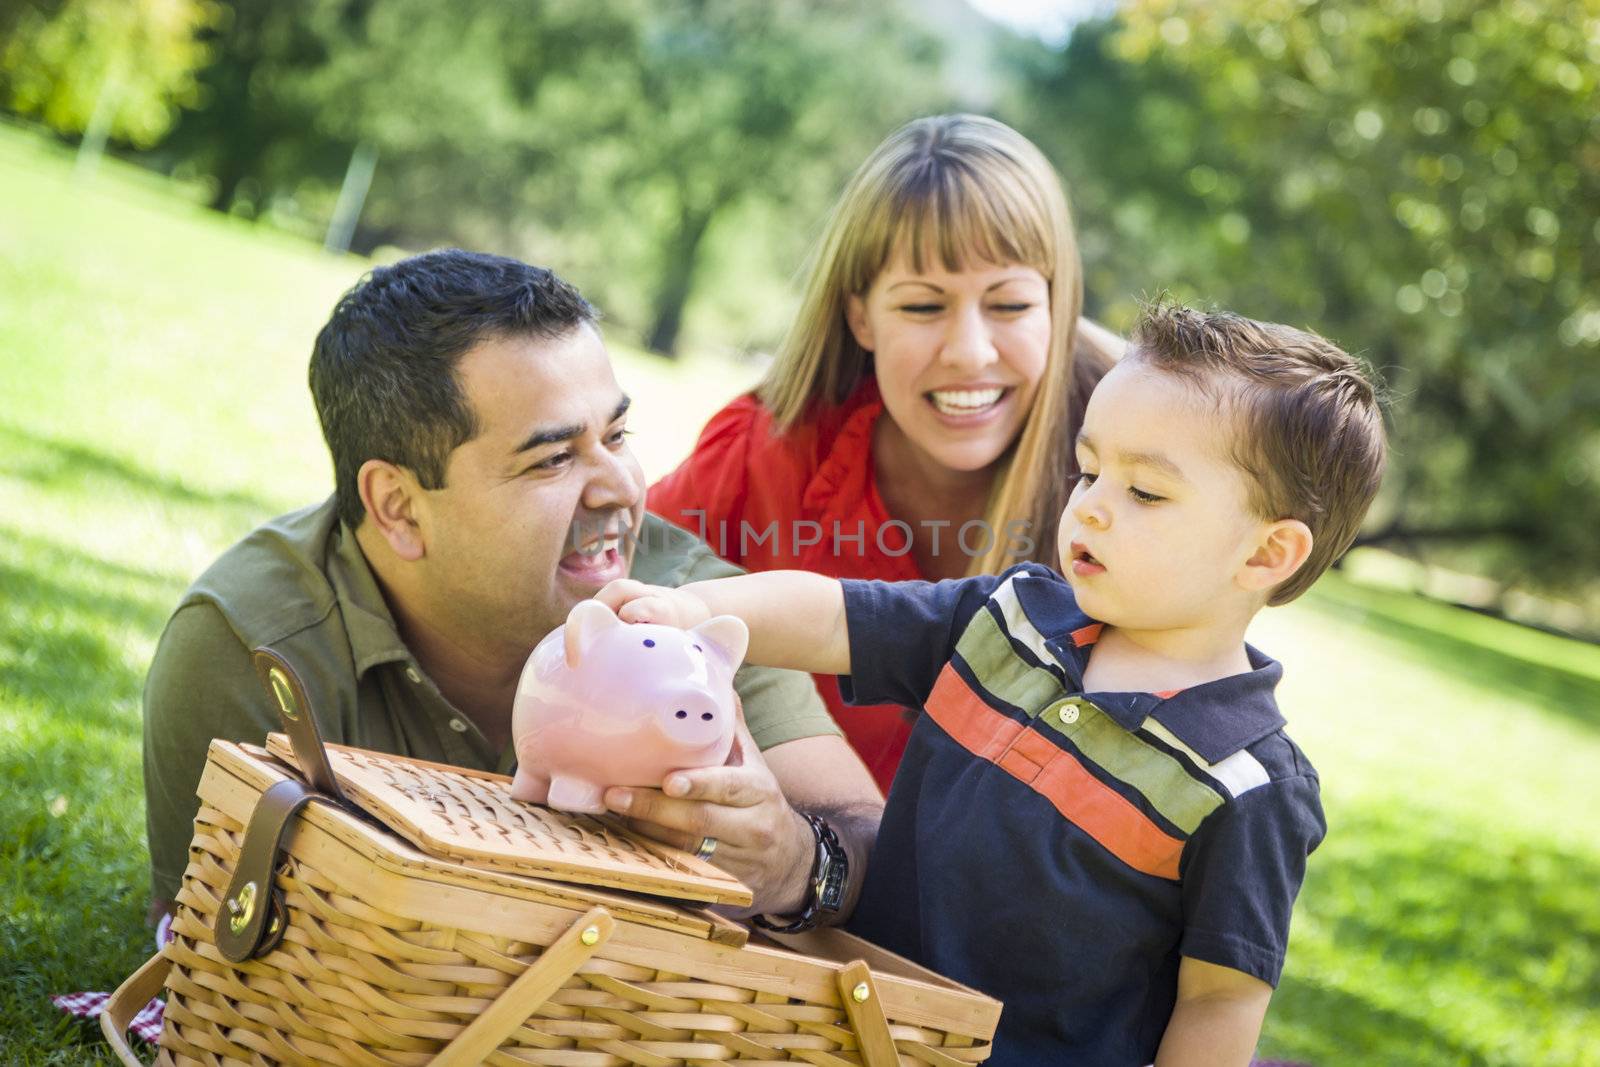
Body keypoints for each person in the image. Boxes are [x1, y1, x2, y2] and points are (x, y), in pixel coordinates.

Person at [601, 302, 1387, 1065]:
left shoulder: (1247, 784)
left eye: (1144, 491)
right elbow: (834, 614)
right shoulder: (1011, 617)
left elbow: (1219, 1001)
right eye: (1088, 470)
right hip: (835, 1021)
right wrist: (692, 605)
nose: (1091, 509)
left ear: (1265, 555)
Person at [141, 249, 883, 929]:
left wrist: (793, 860)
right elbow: (210, 942)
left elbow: (870, 841)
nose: (624, 486)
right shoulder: (254, 641)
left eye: (617, 436)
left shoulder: (687, 612)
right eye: (554, 458)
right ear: (398, 506)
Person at [648, 114, 1118, 795]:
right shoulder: (766, 450)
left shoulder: (1131, 476)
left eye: (1010, 304)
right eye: (925, 306)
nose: (969, 351)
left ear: (1056, 304)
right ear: (861, 317)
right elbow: (613, 586)